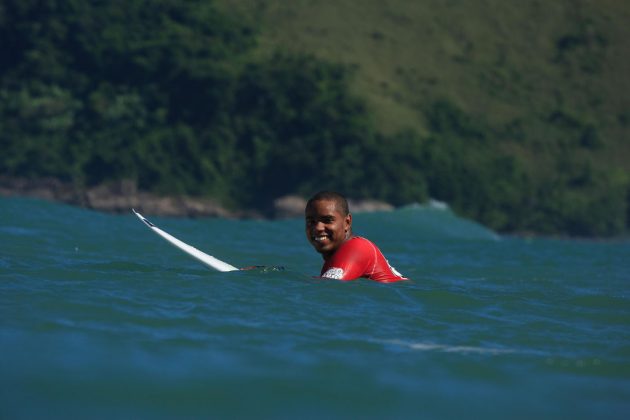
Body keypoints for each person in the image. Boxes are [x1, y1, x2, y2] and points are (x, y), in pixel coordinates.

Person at [305, 191, 407, 282]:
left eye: (327, 220)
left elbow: (328, 287)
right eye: (311, 221)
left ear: (347, 222)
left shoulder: (357, 248)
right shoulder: (333, 261)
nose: (318, 228)